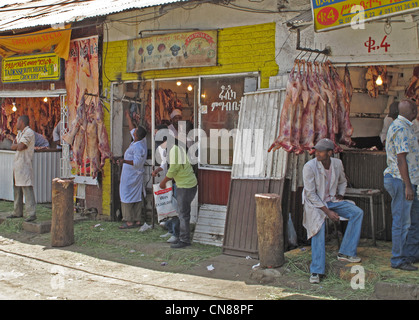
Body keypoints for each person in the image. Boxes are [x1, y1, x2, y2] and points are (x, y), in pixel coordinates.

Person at [302, 138, 364, 284]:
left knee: (357, 212)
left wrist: (341, 194)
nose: (317, 153)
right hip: (315, 205)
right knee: (319, 227)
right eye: (316, 150)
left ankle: (346, 252)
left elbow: (343, 181)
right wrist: (327, 212)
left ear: (330, 153)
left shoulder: (337, 163)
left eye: (321, 151)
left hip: (332, 201)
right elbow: (310, 194)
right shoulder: (309, 167)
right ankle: (316, 270)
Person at [383, 99, 419, 271]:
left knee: (412, 221)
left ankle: (410, 254)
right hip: (401, 180)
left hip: (408, 180)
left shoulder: (407, 126)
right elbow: (401, 159)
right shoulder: (401, 128)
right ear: (413, 112)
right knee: (402, 222)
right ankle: (398, 259)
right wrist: (408, 186)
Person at [159, 121, 197, 249]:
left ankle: (184, 240)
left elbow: (173, 169)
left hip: (186, 185)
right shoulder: (174, 148)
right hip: (185, 184)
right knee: (182, 212)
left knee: (183, 213)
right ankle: (181, 237)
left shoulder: (174, 150)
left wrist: (163, 182)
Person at [116, 125, 147, 229]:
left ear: (137, 135)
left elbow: (137, 163)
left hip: (131, 175)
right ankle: (137, 220)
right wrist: (128, 116)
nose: (134, 131)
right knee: (136, 196)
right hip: (133, 175)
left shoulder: (139, 147)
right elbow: (131, 129)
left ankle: (129, 221)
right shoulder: (138, 142)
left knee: (125, 195)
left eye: (136, 130)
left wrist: (124, 161)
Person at [7, 115, 37, 222]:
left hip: (25, 164)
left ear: (22, 122)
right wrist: (16, 145)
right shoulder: (20, 133)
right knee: (17, 189)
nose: (16, 124)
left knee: (27, 188)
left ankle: (31, 213)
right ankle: (17, 211)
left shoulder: (29, 132)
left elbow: (20, 146)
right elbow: (13, 146)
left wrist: (16, 145)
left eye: (18, 121)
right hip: (18, 165)